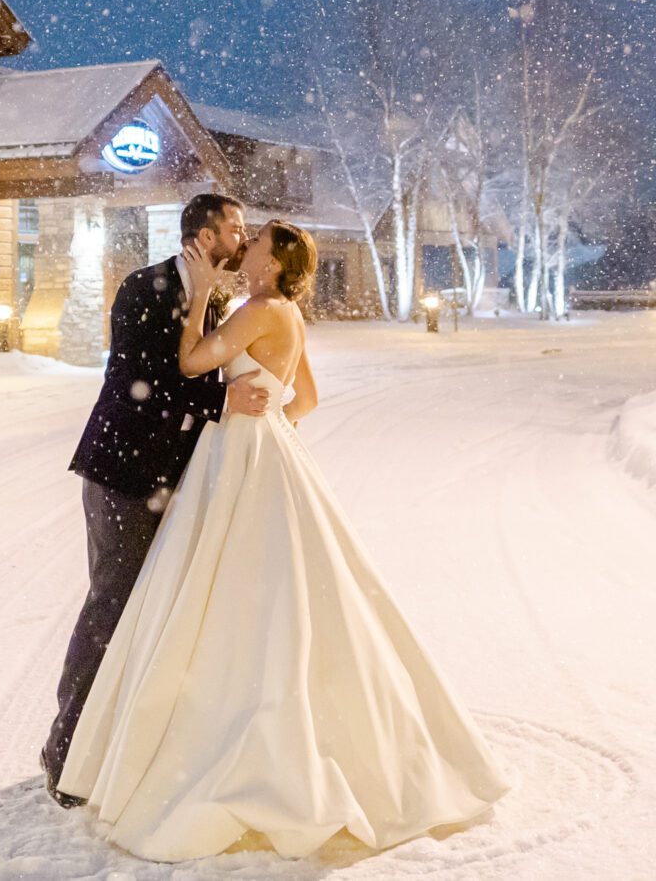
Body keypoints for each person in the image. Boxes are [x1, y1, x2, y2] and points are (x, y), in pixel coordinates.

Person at [57, 220, 511, 861]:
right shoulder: (286, 311)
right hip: (265, 450)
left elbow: (190, 362)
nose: (248, 246)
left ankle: (214, 737)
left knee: (220, 590)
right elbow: (308, 397)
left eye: (258, 241)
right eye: (243, 234)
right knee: (275, 589)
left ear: (273, 263)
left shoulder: (254, 306)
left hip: (239, 454)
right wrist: (268, 418)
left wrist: (198, 307)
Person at [41, 192, 269, 799]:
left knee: (157, 613)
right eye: (235, 229)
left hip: (174, 481)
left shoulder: (213, 297)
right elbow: (143, 382)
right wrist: (223, 403)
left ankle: (123, 754)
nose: (243, 238)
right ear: (203, 234)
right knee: (111, 610)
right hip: (122, 476)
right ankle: (65, 757)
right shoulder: (146, 287)